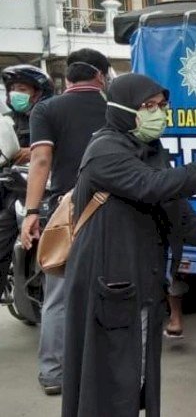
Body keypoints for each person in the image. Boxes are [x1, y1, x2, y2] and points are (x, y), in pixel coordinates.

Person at [61, 73, 196, 417]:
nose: (158, 113)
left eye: (161, 106)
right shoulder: (104, 151)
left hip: (142, 287)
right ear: (123, 109)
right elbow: (151, 186)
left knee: (135, 381)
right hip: (105, 285)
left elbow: (183, 221)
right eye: (148, 107)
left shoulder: (152, 152)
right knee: (107, 385)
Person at [19, 49, 110, 396]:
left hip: (66, 211)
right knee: (109, 289)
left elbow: (41, 160)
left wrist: (31, 213)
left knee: (58, 294)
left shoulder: (47, 109)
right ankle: (103, 368)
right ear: (101, 76)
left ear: (68, 78)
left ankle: (54, 372)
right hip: (112, 207)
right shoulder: (112, 108)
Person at [0, 65, 53, 303]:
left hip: (44, 194)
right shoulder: (7, 122)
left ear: (37, 92)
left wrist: (31, 152)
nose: (15, 94)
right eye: (11, 89)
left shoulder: (49, 116)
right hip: (11, 192)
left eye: (21, 88)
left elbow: (48, 152)